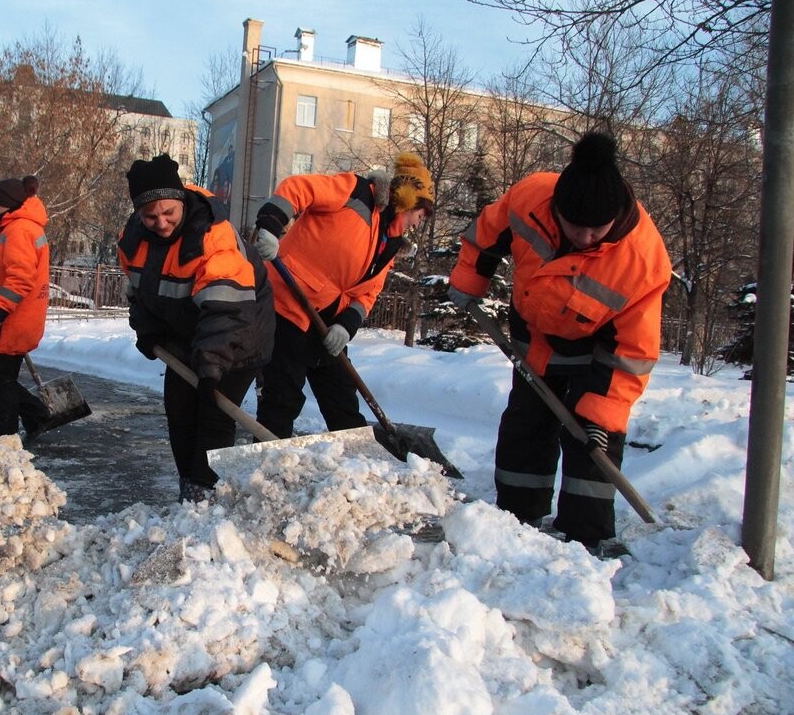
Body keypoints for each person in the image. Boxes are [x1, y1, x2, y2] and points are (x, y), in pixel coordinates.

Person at [448, 131, 671, 550]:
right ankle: (517, 516)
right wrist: (468, 279)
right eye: (575, 227)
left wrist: (603, 411)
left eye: (596, 230)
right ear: (556, 210)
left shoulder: (642, 260)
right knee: (526, 424)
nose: (585, 238)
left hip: (595, 352)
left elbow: (634, 351)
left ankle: (587, 535)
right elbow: (484, 234)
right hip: (533, 332)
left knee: (592, 440)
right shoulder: (532, 197)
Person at [117, 153, 274, 502]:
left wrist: (212, 365)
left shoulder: (212, 235)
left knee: (214, 414)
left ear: (181, 200)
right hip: (187, 332)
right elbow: (139, 292)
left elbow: (226, 308)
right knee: (179, 409)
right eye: (150, 216)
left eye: (168, 213)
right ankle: (189, 487)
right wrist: (148, 329)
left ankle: (207, 495)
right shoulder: (134, 239)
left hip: (240, 330)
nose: (160, 222)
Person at [251, 154, 433, 438]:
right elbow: (299, 187)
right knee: (282, 399)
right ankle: (269, 473)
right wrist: (272, 224)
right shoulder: (356, 193)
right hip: (287, 306)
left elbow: (369, 293)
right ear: (410, 201)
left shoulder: (390, 244)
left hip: (326, 323)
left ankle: (357, 468)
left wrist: (346, 326)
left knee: (343, 401)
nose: (419, 224)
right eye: (421, 215)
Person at [0, 175, 54, 440]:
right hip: (14, 317)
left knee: (0, 378)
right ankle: (36, 414)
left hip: (12, 318)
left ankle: (5, 434)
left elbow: (20, 278)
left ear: (7, 204)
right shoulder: (18, 227)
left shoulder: (19, 229)